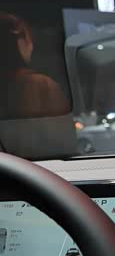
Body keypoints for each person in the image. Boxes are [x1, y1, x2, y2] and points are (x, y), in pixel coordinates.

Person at [0, 12, 77, 159]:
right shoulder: (42, 86)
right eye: (27, 38)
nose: (31, 45)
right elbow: (65, 145)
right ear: (16, 42)